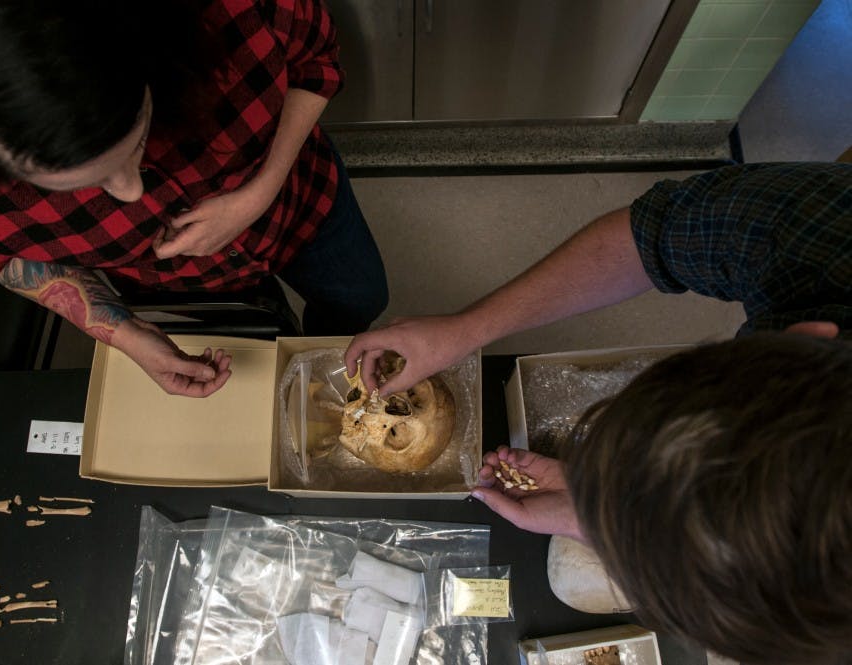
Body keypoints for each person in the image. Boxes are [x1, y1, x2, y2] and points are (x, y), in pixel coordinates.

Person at [345, 162, 851, 663]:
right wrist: (466, 329)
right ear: (805, 336)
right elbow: (649, 239)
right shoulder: (820, 229)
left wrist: (602, 522)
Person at [0, 0, 388, 397]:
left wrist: (259, 190)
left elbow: (315, 60)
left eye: (137, 139)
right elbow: (1, 255)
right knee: (251, 369)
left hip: (302, 199)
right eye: (80, 183)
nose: (134, 194)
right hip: (170, 283)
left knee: (359, 297)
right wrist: (125, 333)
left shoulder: (230, 8)